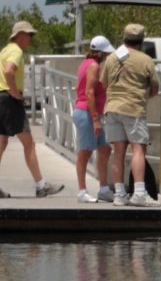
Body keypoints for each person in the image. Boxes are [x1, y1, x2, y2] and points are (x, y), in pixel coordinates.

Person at [0, 20, 63, 198]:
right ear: (20, 35)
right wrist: (14, 92)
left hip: (0, 99)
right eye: (29, 35)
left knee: (2, 143)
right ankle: (41, 186)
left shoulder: (4, 50)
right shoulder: (16, 51)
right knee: (29, 144)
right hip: (9, 100)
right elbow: (8, 71)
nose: (31, 38)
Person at [99, 23, 159, 207]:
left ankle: (119, 195)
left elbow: (103, 83)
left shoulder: (111, 58)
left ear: (124, 38)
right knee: (138, 149)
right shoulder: (145, 60)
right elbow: (155, 88)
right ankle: (140, 194)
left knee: (118, 151)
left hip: (112, 108)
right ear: (141, 40)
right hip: (133, 109)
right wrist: (143, 95)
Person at [73, 35, 115, 203]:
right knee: (85, 152)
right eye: (105, 53)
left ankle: (104, 188)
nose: (106, 56)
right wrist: (96, 119)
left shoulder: (86, 63)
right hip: (87, 114)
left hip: (90, 113)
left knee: (104, 148)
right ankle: (82, 191)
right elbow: (89, 92)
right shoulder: (94, 66)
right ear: (101, 53)